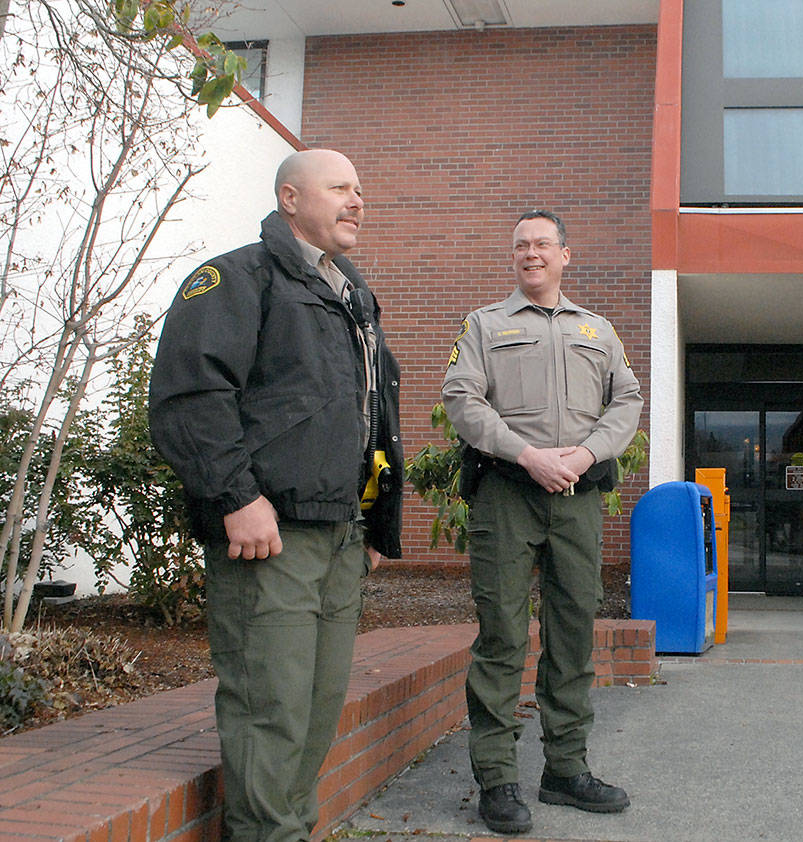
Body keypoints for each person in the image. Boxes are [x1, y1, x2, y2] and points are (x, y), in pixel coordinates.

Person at [149, 148, 403, 841]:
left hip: (339, 536)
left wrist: (378, 523)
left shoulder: (349, 293)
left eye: (360, 189)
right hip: (270, 535)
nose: (359, 201)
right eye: (341, 188)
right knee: (272, 708)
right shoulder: (236, 277)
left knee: (316, 709)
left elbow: (373, 411)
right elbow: (190, 397)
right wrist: (236, 497)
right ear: (290, 198)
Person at [441, 209, 642, 834]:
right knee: (501, 635)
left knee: (573, 632)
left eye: (543, 244)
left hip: (578, 494)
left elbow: (627, 399)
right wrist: (526, 455)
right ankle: (497, 780)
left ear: (565, 255)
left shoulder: (597, 329)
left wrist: (584, 454)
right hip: (507, 491)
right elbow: (461, 398)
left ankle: (565, 769)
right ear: (514, 257)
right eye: (521, 245)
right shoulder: (484, 325)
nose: (532, 253)